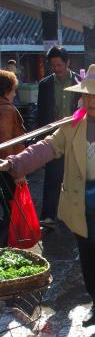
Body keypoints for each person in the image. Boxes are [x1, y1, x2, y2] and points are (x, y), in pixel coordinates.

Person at [0, 65, 95, 337]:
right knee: (88, 262)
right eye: (87, 96)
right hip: (79, 207)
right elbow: (45, 148)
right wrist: (16, 163)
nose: (91, 101)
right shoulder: (71, 128)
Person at [37, 46, 80, 227]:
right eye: (53, 65)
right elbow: (41, 112)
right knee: (53, 176)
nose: (56, 69)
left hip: (76, 136)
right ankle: (48, 216)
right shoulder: (45, 84)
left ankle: (73, 216)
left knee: (76, 176)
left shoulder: (80, 81)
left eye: (60, 65)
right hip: (54, 136)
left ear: (67, 63)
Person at [0, 70, 26, 246]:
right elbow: (7, 144)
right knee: (8, 212)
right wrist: (17, 172)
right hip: (5, 170)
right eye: (14, 90)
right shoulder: (7, 110)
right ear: (7, 90)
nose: (15, 94)